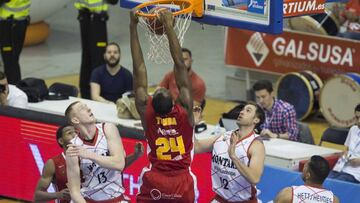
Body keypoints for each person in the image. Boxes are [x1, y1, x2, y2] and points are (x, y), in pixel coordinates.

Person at [130, 9, 198, 202]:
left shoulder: (147, 111)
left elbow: (139, 69)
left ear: (152, 101)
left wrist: (132, 27)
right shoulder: (185, 111)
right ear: (173, 98)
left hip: (156, 180)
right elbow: (179, 65)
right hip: (181, 182)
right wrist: (169, 26)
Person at [195, 101, 266, 203]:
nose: (242, 112)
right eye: (242, 110)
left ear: (256, 120)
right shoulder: (223, 136)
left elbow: (254, 178)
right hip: (220, 199)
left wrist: (234, 157)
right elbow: (196, 147)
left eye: (248, 111)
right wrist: (192, 124)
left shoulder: (256, 145)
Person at [65, 101, 129, 203]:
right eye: (83, 108)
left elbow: (119, 164)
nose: (89, 109)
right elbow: (74, 192)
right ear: (75, 119)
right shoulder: (73, 149)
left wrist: (89, 155)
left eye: (87, 107)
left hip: (116, 199)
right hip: (88, 200)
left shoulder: (108, 128)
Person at [75, 0, 118, 99]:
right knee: (99, 59)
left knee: (87, 57)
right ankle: (98, 95)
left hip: (84, 16)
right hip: (96, 19)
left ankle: (86, 94)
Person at [33, 126, 76, 203]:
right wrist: (58, 194)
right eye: (70, 133)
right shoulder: (53, 163)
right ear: (61, 141)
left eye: (77, 132)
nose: (75, 135)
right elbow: (37, 196)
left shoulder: (90, 157)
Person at [275, 155, 340, 203]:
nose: (303, 168)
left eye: (305, 166)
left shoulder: (288, 194)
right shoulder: (334, 200)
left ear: (308, 175)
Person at [327, 103, 360, 184]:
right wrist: (344, 154)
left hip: (355, 174)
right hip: (341, 167)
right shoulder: (353, 129)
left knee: (334, 184)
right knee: (322, 180)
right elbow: (347, 149)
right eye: (357, 117)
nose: (359, 121)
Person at [0, 0, 30, 84]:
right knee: (11, 60)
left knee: (10, 60)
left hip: (10, 24)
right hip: (16, 22)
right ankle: (13, 87)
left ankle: (13, 88)